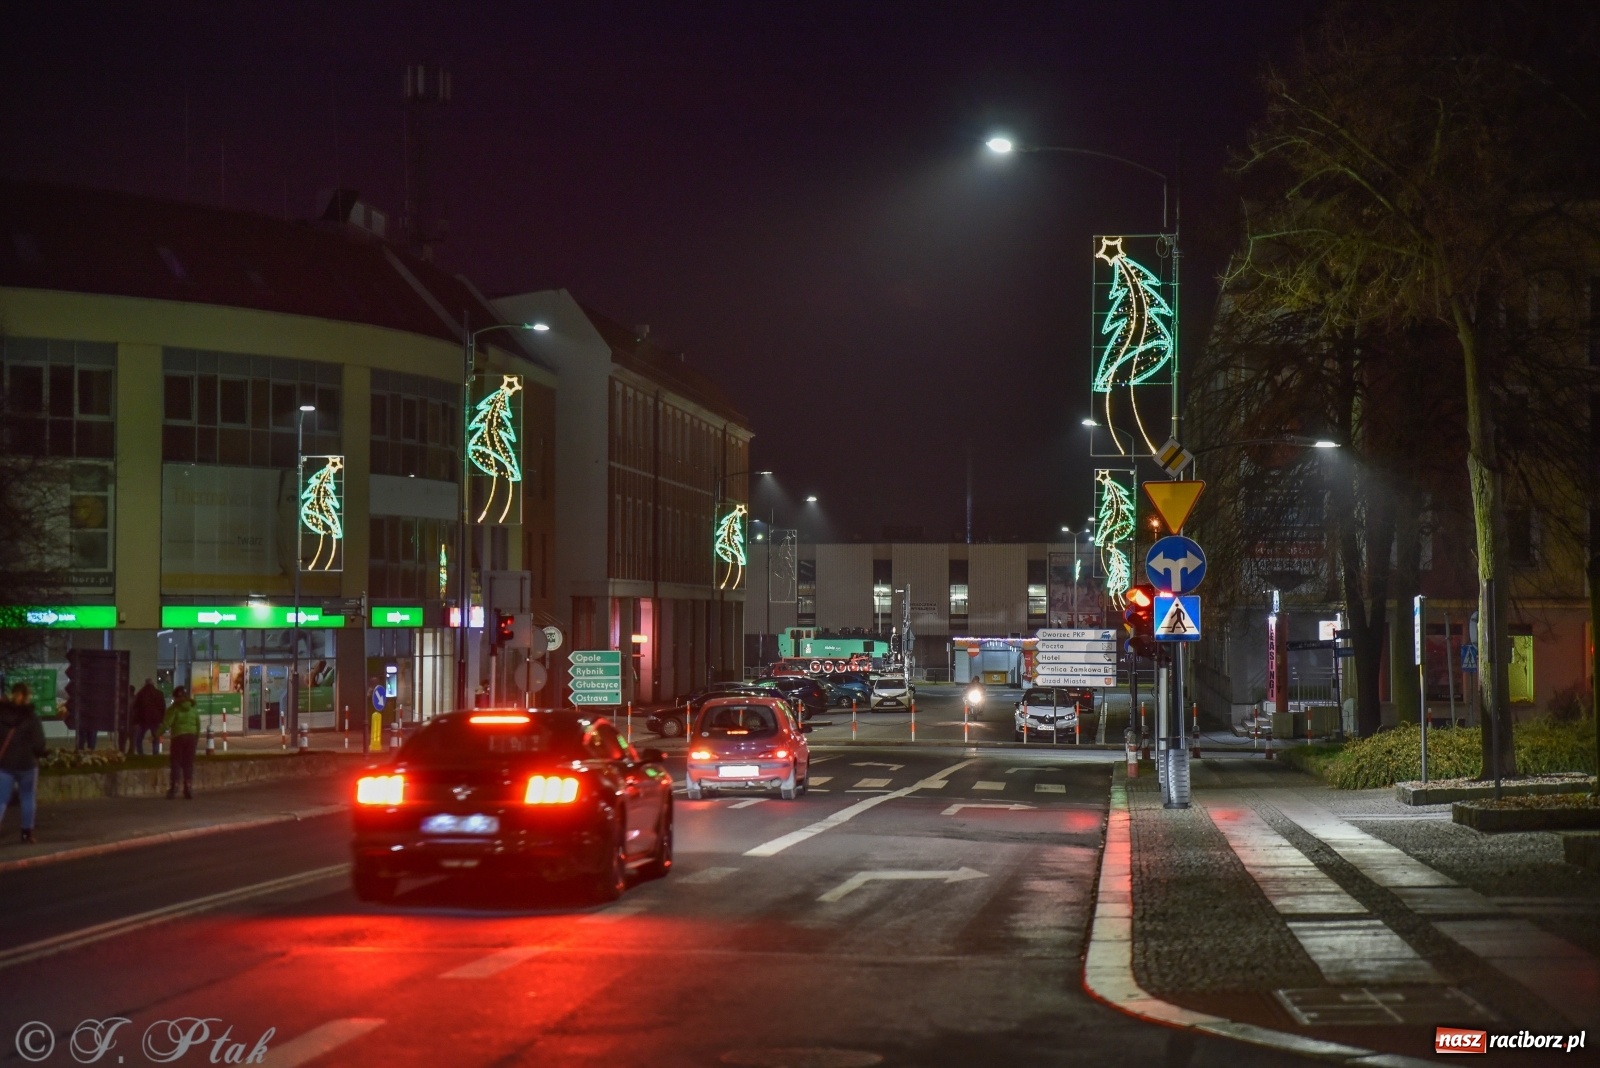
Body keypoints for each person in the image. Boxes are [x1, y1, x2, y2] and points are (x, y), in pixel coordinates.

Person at [1, 681, 50, 844]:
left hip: (5, 764)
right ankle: (26, 834)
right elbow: (39, 743)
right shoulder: (32, 717)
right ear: (27, 697)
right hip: (27, 764)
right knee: (28, 797)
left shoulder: (2, 715)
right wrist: (41, 752)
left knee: (1, 799)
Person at [158, 685, 201, 800]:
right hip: (191, 737)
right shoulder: (193, 708)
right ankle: (188, 787)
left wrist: (156, 735)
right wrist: (196, 738)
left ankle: (175, 786)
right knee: (188, 763)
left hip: (178, 737)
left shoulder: (174, 708)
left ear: (176, 697)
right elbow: (198, 724)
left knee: (176, 762)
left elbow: (167, 724)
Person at [131, 678, 165, 755]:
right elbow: (163, 707)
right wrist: (162, 719)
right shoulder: (159, 693)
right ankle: (155, 753)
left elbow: (135, 708)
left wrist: (136, 720)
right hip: (155, 719)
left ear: (145, 684)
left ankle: (141, 753)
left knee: (139, 738)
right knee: (155, 737)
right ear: (153, 684)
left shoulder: (140, 693)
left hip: (143, 719)